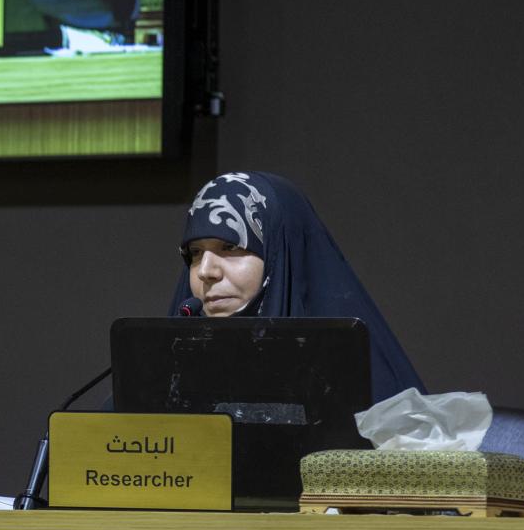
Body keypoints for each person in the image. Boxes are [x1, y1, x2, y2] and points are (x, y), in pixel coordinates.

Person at [172, 170, 423, 402]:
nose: (205, 271)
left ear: (280, 255)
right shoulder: (174, 372)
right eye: (195, 252)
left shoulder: (361, 387)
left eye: (230, 247)